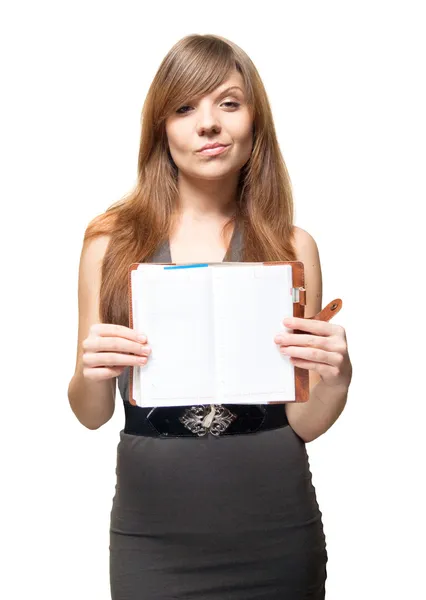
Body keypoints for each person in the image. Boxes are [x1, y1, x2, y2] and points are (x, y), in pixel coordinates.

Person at [68, 33, 352, 600]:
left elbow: (305, 422)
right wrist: (90, 373)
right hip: (153, 541)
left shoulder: (292, 246)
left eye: (228, 102)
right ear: (161, 128)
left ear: (254, 122)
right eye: (184, 107)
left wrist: (338, 381)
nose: (208, 124)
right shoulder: (109, 244)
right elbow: (90, 414)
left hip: (277, 533)